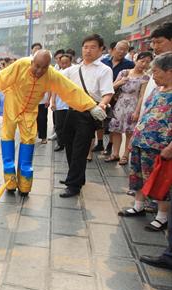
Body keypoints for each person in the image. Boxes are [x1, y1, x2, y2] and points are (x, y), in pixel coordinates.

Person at [0, 49, 100, 196]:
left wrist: (91, 106)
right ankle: (9, 182)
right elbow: (3, 77)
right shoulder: (21, 65)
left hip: (30, 110)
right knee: (7, 137)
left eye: (44, 67)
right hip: (13, 103)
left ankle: (24, 185)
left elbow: (70, 89)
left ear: (49, 66)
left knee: (29, 141)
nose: (39, 70)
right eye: (36, 66)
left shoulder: (51, 74)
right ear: (31, 62)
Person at [118, 52, 171, 234]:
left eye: (156, 71)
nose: (153, 75)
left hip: (161, 145)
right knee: (138, 175)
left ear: (169, 71)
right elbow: (146, 113)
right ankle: (138, 206)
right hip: (142, 139)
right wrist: (134, 137)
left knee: (159, 181)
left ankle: (162, 217)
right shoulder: (157, 89)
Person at [60, 34, 114, 198]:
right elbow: (57, 78)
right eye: (85, 47)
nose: (88, 50)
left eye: (92, 47)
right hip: (72, 111)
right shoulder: (73, 69)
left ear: (100, 50)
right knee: (68, 145)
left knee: (80, 148)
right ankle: (76, 176)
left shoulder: (104, 70)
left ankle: (74, 185)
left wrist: (101, 106)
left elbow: (107, 93)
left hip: (89, 113)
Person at [107, 52, 152, 165]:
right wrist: (120, 82)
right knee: (116, 130)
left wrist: (137, 111)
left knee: (129, 132)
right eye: (142, 61)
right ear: (136, 60)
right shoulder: (124, 72)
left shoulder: (146, 77)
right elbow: (111, 87)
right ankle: (115, 153)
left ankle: (125, 156)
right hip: (120, 104)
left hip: (133, 105)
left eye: (147, 62)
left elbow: (142, 95)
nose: (144, 64)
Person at [50, 53, 73, 152]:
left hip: (71, 104)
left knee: (69, 126)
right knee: (59, 126)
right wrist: (53, 102)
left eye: (66, 63)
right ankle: (60, 143)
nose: (64, 65)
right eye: (62, 63)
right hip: (60, 105)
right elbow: (54, 89)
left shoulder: (74, 73)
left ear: (70, 62)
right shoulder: (58, 73)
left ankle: (69, 143)